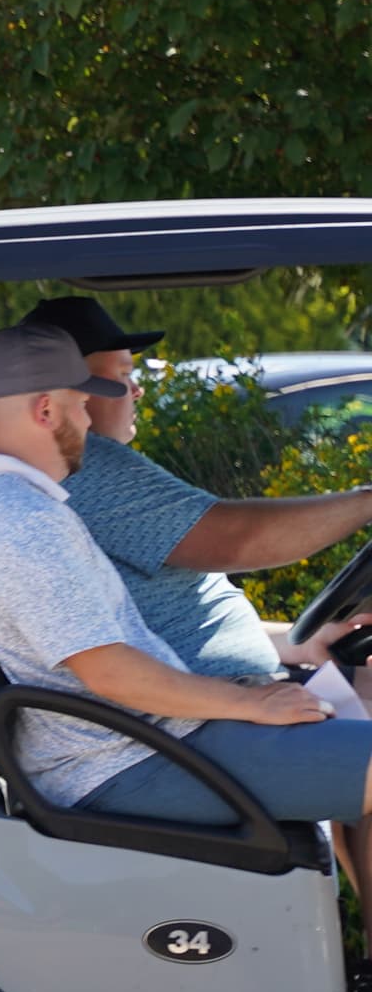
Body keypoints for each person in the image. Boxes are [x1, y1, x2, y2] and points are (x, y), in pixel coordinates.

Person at [0, 322, 372, 840]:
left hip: (151, 744)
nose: (87, 422)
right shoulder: (20, 523)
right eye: (80, 405)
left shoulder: (19, 507)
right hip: (129, 764)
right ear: (46, 411)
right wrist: (251, 702)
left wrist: (292, 650)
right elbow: (109, 672)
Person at [23, 294, 372, 696]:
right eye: (122, 374)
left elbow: (182, 623)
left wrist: (299, 641)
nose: (136, 390)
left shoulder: (77, 470)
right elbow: (237, 539)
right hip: (211, 719)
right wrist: (365, 501)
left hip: (233, 696)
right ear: (71, 390)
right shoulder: (83, 468)